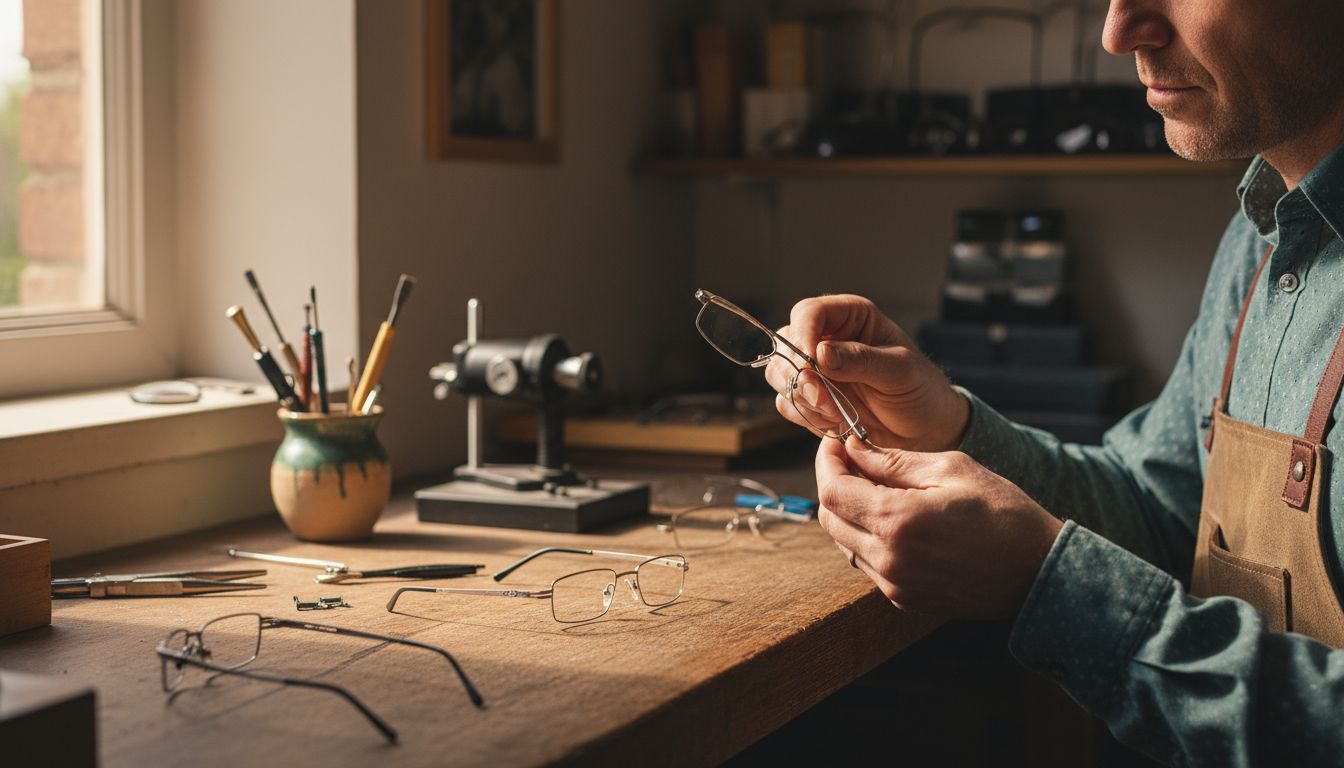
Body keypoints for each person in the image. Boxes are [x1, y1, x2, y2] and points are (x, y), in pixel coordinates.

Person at [763, 0, 1344, 764]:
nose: (1119, 31)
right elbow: (1164, 512)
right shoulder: (1265, 231)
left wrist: (1054, 583)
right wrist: (946, 429)